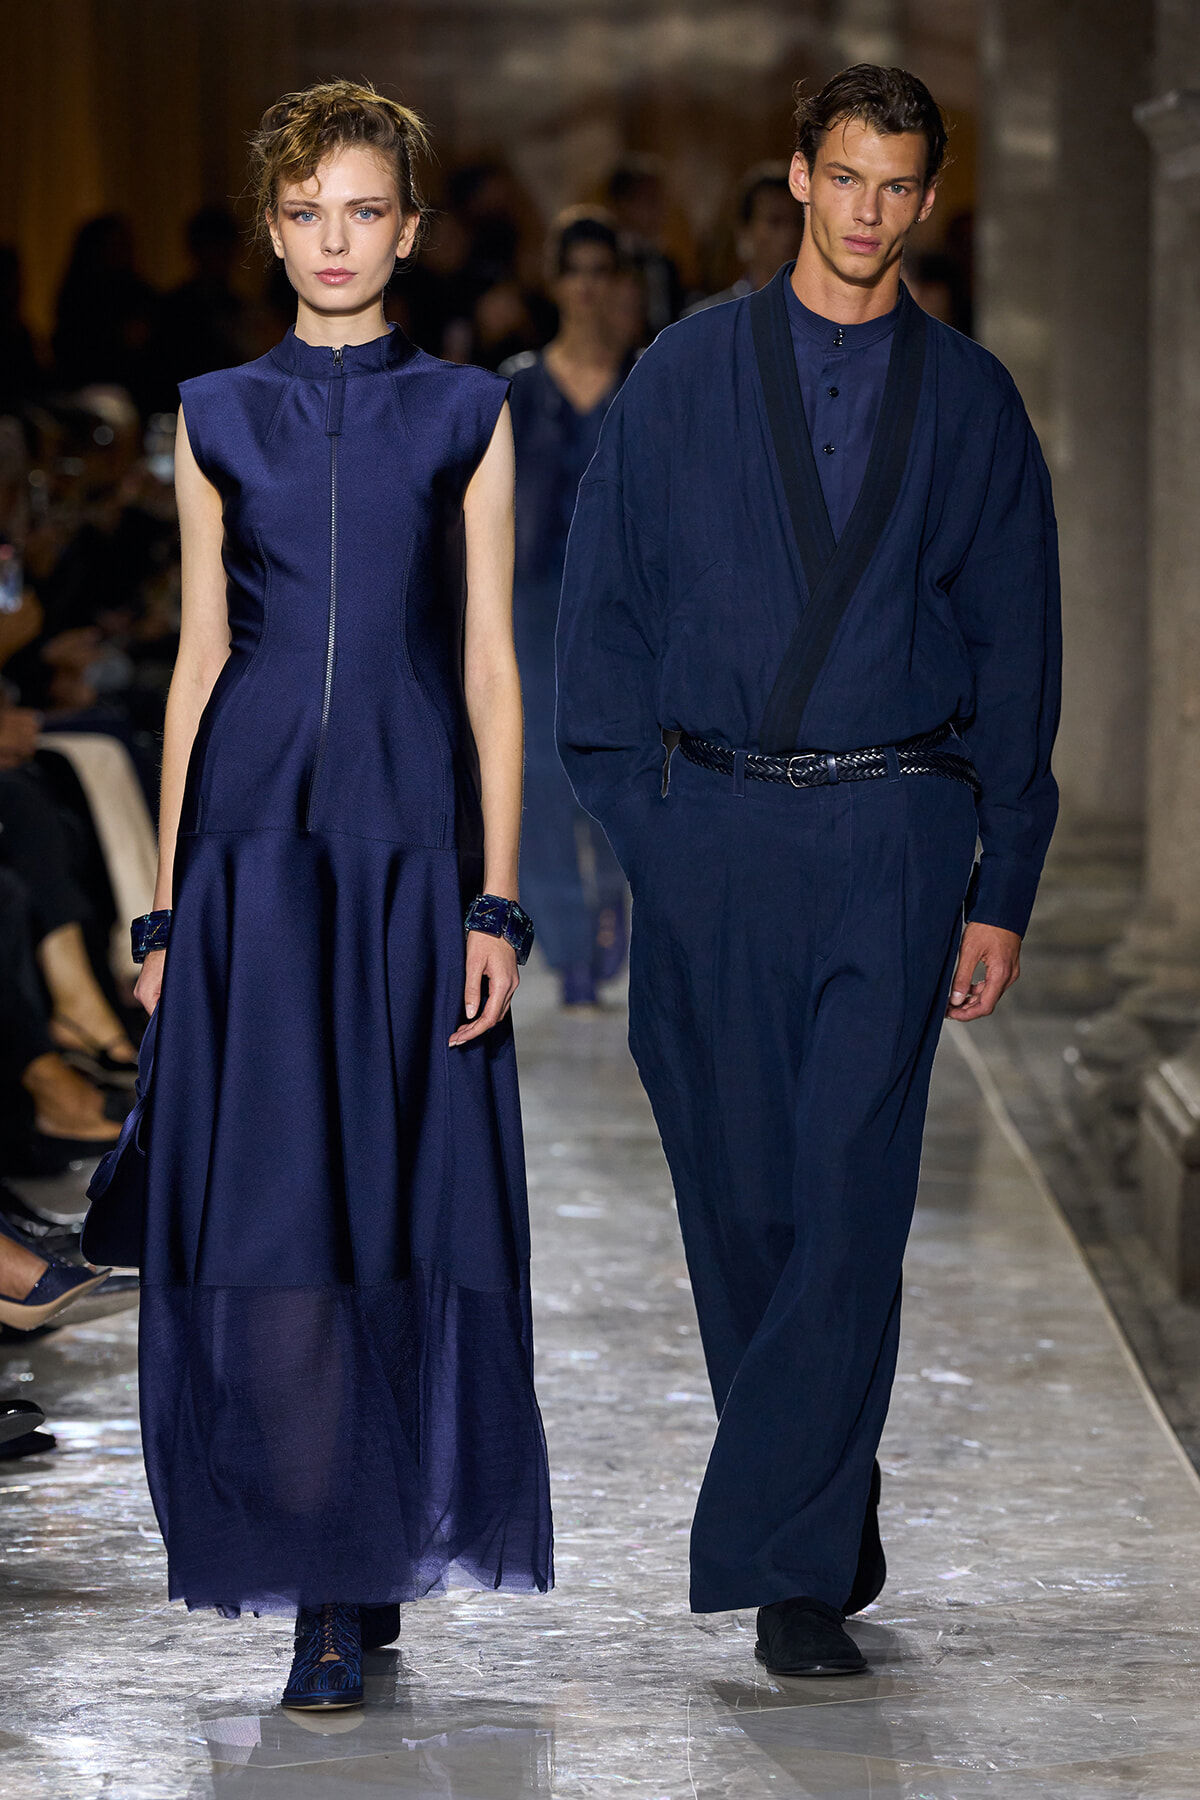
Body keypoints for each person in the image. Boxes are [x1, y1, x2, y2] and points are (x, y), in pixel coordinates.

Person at [557, 64, 1059, 1677]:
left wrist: (1003, 878)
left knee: (846, 1206)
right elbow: (602, 614)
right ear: (797, 176)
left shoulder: (971, 399)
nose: (866, 211)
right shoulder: (683, 375)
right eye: (842, 177)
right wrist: (646, 825)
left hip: (894, 838)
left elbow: (1019, 647)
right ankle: (825, 1515)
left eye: (897, 185)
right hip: (710, 837)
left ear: (928, 200)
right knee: (741, 1205)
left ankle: (785, 1572)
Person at [114, 80, 552, 1708]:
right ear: (275, 227)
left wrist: (496, 898)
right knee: (280, 1217)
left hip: (404, 858)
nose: (337, 240)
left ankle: (368, 1554)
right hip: (251, 860)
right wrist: (164, 914)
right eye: (309, 214)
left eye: (366, 211)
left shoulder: (468, 413)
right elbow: (197, 669)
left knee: (394, 1210)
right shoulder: (216, 411)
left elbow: (495, 671)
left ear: (410, 230)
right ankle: (320, 1574)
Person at [503, 213, 633, 1009]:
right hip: (534, 603)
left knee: (616, 765)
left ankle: (613, 903)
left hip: (624, 609)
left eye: (599, 269)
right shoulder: (517, 387)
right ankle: (566, 947)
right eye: (573, 269)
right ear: (554, 281)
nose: (586, 286)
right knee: (543, 779)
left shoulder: (645, 380)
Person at [685, 164, 805, 315]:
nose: (791, 233)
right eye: (775, 221)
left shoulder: (827, 316)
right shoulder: (707, 319)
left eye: (799, 222)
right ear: (745, 232)